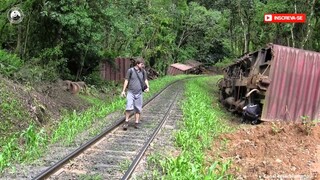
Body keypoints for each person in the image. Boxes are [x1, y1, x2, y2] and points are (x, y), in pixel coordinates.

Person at [121, 59, 149, 130]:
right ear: (137, 64)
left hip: (139, 92)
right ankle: (126, 121)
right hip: (130, 92)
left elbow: (145, 80)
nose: (143, 66)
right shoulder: (130, 71)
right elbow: (126, 80)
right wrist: (123, 91)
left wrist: (148, 87)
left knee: (138, 108)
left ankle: (136, 122)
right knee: (128, 107)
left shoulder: (143, 71)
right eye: (141, 64)